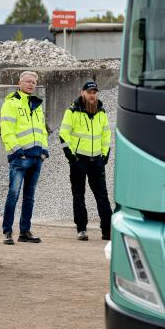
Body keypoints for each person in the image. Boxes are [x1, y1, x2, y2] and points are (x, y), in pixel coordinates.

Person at [59, 80, 113, 241]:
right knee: (79, 195)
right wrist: (71, 157)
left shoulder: (101, 112)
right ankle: (81, 229)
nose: (92, 95)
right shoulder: (72, 112)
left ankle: (107, 230)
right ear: (83, 92)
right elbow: (63, 135)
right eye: (89, 92)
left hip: (97, 161)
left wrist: (105, 155)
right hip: (79, 161)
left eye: (94, 92)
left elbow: (106, 136)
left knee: (102, 196)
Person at [0, 71, 48, 245]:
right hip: (20, 158)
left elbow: (42, 130)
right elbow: (7, 130)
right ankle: (7, 232)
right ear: (19, 82)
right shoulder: (11, 103)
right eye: (27, 81)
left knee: (29, 196)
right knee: (13, 194)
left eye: (34, 82)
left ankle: (24, 231)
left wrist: (44, 151)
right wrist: (19, 152)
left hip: (36, 157)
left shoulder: (37, 105)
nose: (31, 84)